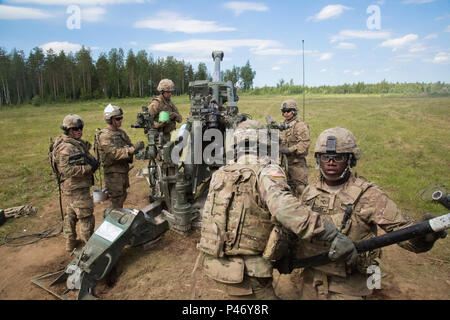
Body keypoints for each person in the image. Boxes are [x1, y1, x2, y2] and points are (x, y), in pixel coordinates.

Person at [196, 120, 358, 300]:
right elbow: (287, 210)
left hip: (216, 262)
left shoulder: (221, 173)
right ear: (264, 143)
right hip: (247, 271)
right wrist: (331, 234)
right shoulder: (265, 172)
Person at [295, 127, 446, 300]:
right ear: (317, 160)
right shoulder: (309, 192)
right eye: (325, 157)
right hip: (311, 279)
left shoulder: (370, 196)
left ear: (351, 160)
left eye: (339, 157)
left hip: (349, 287)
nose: (331, 162)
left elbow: (407, 239)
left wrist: (425, 234)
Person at [51, 114, 98, 252]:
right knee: (86, 216)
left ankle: (70, 243)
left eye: (80, 128)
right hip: (76, 188)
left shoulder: (70, 143)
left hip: (71, 187)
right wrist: (89, 168)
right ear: (68, 130)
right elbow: (66, 169)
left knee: (71, 215)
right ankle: (91, 249)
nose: (79, 131)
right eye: (76, 129)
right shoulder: (67, 148)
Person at [95, 104, 144, 209]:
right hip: (113, 174)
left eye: (121, 118)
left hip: (122, 171)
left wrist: (136, 149)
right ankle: (110, 220)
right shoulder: (105, 136)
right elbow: (114, 153)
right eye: (118, 119)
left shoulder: (121, 133)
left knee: (122, 196)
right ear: (110, 119)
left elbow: (129, 145)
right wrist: (133, 149)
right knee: (116, 200)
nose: (120, 120)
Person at [278, 100, 310, 196]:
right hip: (282, 164)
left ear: (294, 111)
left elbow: (304, 144)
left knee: (301, 190)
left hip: (296, 164)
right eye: (283, 111)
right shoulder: (280, 126)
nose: (285, 113)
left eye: (288, 111)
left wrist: (289, 150)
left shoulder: (300, 126)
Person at [147, 79, 182, 143]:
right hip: (158, 137)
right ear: (162, 91)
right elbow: (149, 124)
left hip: (167, 134)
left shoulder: (169, 103)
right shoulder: (156, 103)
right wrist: (166, 119)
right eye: (168, 92)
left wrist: (174, 115)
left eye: (171, 92)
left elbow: (179, 119)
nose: (170, 94)